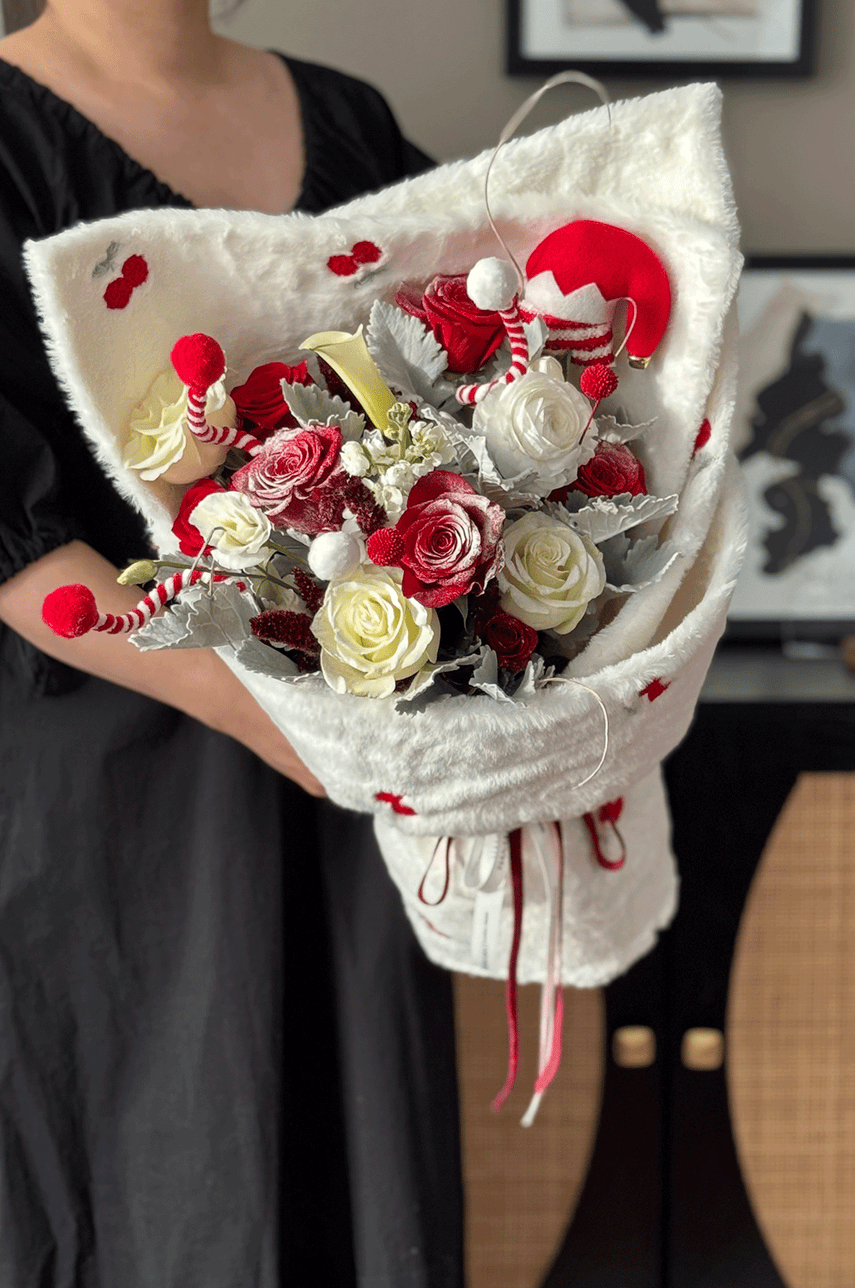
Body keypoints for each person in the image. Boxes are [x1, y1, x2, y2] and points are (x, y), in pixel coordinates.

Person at [0, 3, 464, 1285]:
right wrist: (271, 715)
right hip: (111, 792)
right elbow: (17, 547)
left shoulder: (353, 121)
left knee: (355, 1181)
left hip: (350, 777)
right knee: (146, 1183)